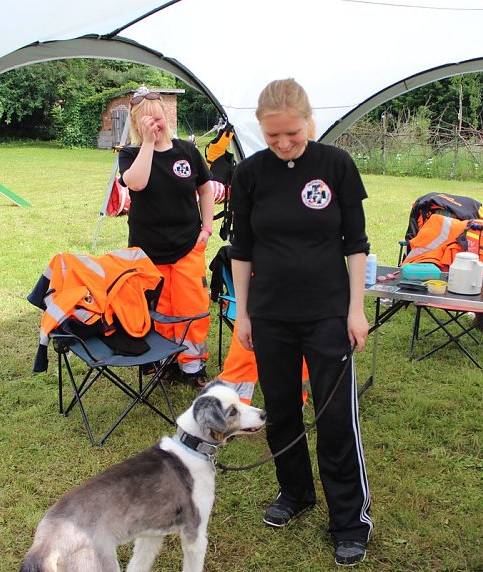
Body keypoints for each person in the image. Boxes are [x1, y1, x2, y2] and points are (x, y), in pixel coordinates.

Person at [229, 78, 373, 567]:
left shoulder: (336, 165)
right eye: (273, 137)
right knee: (282, 409)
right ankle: (295, 492)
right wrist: (243, 312)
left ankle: (350, 521)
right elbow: (241, 250)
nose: (284, 143)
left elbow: (356, 243)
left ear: (308, 120)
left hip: (328, 313)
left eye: (291, 133)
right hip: (270, 314)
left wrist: (355, 309)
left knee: (335, 420)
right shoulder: (248, 174)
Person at [118, 86, 214, 387]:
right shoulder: (131, 154)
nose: (154, 124)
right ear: (136, 124)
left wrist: (207, 228)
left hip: (188, 246)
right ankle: (160, 361)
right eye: (147, 120)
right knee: (155, 308)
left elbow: (205, 188)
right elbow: (136, 183)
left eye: (157, 118)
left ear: (166, 117)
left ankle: (192, 366)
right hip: (148, 251)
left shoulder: (187, 150)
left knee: (192, 307)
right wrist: (147, 143)